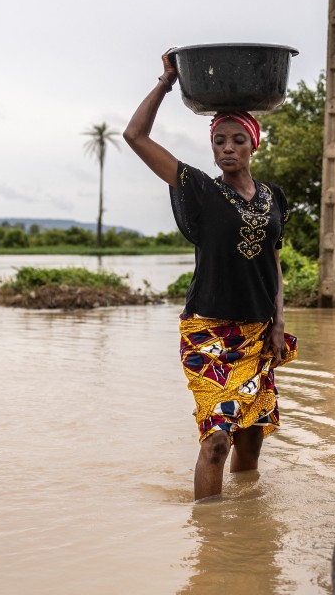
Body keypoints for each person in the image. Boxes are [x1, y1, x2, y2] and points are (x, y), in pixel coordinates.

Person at [124, 49, 298, 500]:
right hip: (210, 334)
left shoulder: (274, 197)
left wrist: (278, 323)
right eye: (219, 140)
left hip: (259, 332)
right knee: (217, 441)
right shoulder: (200, 189)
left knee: (252, 439)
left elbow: (273, 263)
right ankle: (210, 547)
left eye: (237, 140)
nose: (227, 148)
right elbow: (135, 136)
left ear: (253, 143)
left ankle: (243, 541)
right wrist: (165, 82)